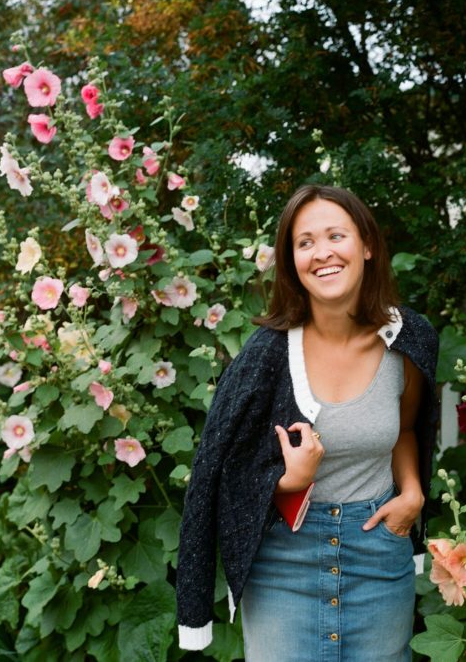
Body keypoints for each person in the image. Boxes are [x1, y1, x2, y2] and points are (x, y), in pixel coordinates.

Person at [176, 184, 439, 661]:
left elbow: (406, 428)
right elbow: (218, 476)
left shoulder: (408, 340)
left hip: (378, 552)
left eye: (336, 235)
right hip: (282, 563)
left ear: (367, 245)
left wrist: (413, 492)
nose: (322, 253)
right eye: (305, 242)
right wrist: (288, 481)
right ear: (291, 260)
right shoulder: (265, 356)